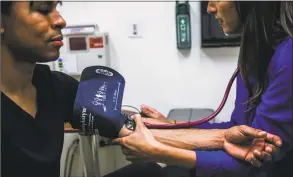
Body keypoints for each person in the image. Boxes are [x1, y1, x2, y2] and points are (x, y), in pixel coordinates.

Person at [0, 1, 284, 177]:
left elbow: (128, 128)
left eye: (58, 6)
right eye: (43, 8)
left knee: (144, 171)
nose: (60, 19)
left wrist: (221, 137)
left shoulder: (54, 87)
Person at [109, 1, 293, 177]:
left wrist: (159, 152)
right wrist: (171, 125)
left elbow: (255, 161)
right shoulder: (255, 50)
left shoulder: (287, 57)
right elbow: (236, 131)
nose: (210, 8)